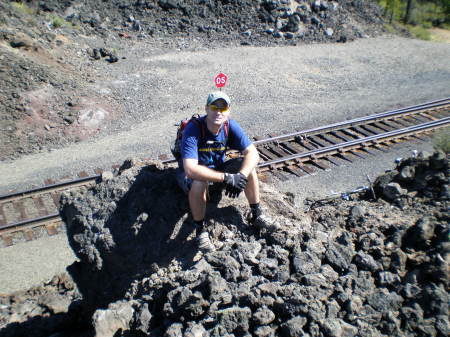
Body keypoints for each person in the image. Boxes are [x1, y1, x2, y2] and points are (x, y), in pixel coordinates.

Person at [176, 91, 277, 252]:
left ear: (229, 110)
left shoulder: (229, 125)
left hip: (216, 169)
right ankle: (200, 230)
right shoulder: (193, 129)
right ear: (206, 109)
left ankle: (257, 213)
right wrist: (227, 178)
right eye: (214, 107)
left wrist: (240, 176)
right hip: (191, 177)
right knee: (199, 181)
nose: (218, 112)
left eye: (223, 108)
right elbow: (190, 169)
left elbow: (253, 154)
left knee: (247, 167)